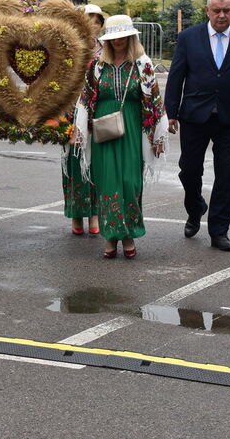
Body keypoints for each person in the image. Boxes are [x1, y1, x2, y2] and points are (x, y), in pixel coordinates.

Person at [164, 0, 230, 252]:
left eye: (227, 11)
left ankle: (219, 230)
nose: (222, 15)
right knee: (189, 170)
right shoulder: (188, 38)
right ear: (207, 11)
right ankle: (195, 206)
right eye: (216, 11)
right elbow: (176, 76)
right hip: (195, 115)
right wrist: (170, 113)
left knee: (226, 173)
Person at [72, 14, 168, 259]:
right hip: (104, 129)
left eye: (123, 37)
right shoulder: (97, 65)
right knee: (107, 183)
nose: (118, 42)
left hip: (133, 128)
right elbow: (85, 99)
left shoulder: (142, 64)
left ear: (131, 37)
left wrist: (157, 137)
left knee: (130, 182)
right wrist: (80, 131)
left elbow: (154, 100)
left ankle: (129, 234)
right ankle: (111, 236)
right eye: (113, 38)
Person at [62, 4, 106, 236]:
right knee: (74, 165)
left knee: (96, 164)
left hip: (98, 113)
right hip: (71, 113)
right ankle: (76, 214)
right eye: (87, 21)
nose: (92, 26)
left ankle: (95, 214)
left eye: (96, 22)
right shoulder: (69, 50)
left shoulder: (106, 50)